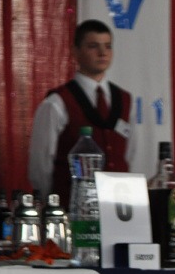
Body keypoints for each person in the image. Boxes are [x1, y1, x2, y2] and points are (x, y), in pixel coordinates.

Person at [28, 19, 135, 206]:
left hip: (117, 208)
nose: (102, 53)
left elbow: (130, 154)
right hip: (72, 207)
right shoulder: (57, 102)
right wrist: (51, 205)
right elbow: (41, 164)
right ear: (76, 52)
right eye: (93, 46)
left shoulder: (124, 100)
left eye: (108, 46)